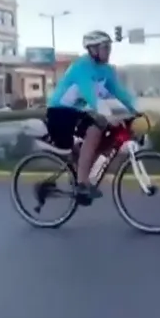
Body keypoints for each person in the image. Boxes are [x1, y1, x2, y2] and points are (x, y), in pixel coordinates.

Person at [46, 30, 139, 205]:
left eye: (109, 47)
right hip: (60, 112)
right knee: (97, 126)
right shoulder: (82, 67)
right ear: (93, 49)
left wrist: (135, 111)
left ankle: (83, 169)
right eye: (105, 47)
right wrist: (108, 114)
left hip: (77, 112)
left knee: (111, 132)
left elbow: (118, 93)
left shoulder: (107, 70)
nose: (108, 51)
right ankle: (82, 182)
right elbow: (92, 96)